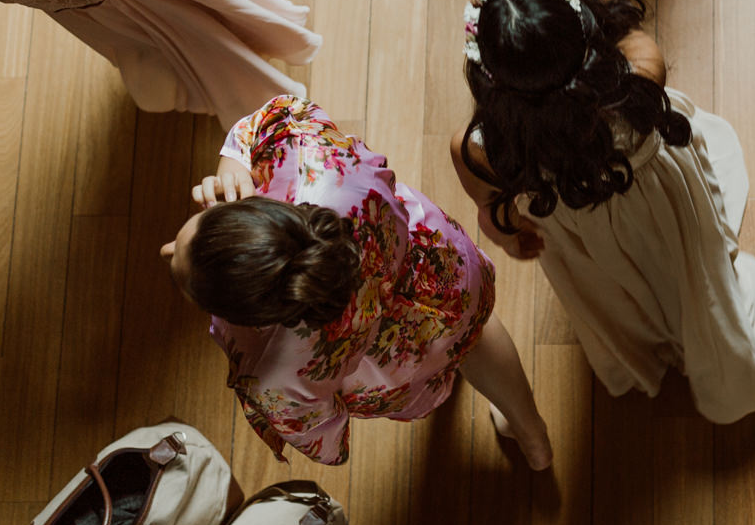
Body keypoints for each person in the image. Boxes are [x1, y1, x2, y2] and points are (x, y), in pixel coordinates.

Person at [450, 0, 755, 424]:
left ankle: (641, 340)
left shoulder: (479, 149)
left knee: (618, 294)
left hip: (583, 234)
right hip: (662, 202)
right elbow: (612, 3)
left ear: (490, 80)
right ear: (586, 28)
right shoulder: (640, 76)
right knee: (683, 269)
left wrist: (517, 238)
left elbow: (493, 217)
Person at [168, 95, 554, 470]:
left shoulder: (270, 373)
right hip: (437, 278)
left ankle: (472, 395)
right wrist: (234, 162)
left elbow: (327, 442)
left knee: (448, 358)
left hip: (396, 365)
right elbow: (280, 111)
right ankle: (531, 433)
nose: (168, 250)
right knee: (478, 335)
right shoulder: (315, 163)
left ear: (244, 310)